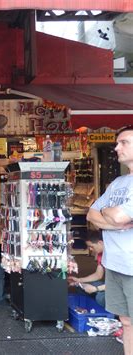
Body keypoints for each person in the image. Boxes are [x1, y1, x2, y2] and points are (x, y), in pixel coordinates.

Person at [87, 125, 133, 352]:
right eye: (117, 142)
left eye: (124, 142)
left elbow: (119, 215)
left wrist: (114, 215)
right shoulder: (117, 184)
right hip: (114, 265)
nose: (117, 147)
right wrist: (116, 219)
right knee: (125, 321)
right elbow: (92, 214)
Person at [68, 231, 105, 307]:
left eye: (92, 246)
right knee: (81, 287)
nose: (90, 249)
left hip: (120, 289)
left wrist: (96, 289)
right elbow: (98, 275)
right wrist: (79, 280)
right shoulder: (100, 255)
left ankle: (110, 315)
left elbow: (118, 284)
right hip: (110, 285)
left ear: (100, 243)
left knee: (101, 298)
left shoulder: (116, 257)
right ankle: (90, 308)